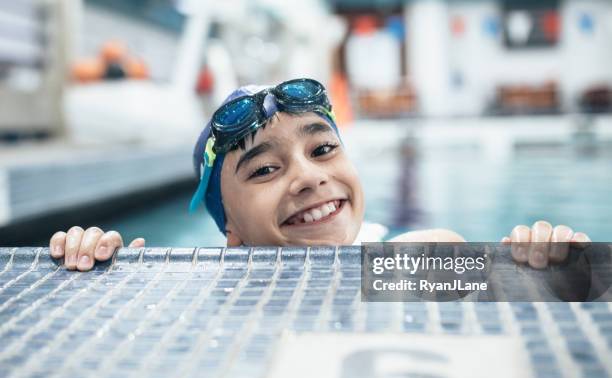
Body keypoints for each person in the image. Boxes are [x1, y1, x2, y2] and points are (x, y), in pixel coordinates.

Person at [49, 78, 591, 272]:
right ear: (230, 230)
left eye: (324, 148)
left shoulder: (427, 253)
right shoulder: (201, 285)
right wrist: (92, 262)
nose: (308, 178)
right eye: (264, 169)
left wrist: (550, 264)